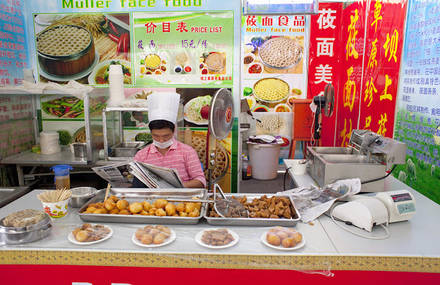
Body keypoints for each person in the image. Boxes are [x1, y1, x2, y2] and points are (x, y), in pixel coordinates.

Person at [132, 92, 206, 188]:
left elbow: (200, 181)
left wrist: (177, 187)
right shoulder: (142, 155)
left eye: (166, 136)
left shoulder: (187, 151)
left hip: (182, 199)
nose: (161, 140)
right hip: (153, 200)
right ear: (151, 133)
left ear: (173, 131)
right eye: (156, 136)